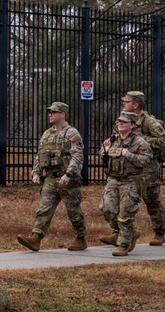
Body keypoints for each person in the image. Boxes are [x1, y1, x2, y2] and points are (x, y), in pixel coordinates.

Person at [17, 102, 87, 252]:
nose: (50, 114)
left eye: (54, 112)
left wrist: (69, 174)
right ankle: (36, 238)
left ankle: (80, 238)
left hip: (67, 180)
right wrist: (35, 172)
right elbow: (40, 155)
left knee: (74, 211)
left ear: (62, 114)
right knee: (44, 209)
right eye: (49, 112)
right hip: (50, 178)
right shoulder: (47, 134)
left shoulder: (72, 133)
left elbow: (77, 156)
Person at [116, 91, 165, 245]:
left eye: (127, 102)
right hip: (129, 168)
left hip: (148, 169)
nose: (124, 104)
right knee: (123, 201)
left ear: (136, 104)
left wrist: (139, 140)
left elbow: (163, 142)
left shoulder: (149, 122)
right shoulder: (122, 120)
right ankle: (121, 233)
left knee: (152, 200)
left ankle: (159, 232)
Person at [99, 111, 153, 256]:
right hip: (113, 180)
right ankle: (128, 233)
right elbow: (101, 153)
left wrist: (129, 155)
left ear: (132, 125)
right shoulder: (111, 140)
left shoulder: (140, 143)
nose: (120, 123)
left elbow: (146, 160)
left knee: (125, 214)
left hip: (131, 182)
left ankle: (124, 244)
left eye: (124, 121)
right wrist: (104, 154)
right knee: (107, 209)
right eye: (119, 121)